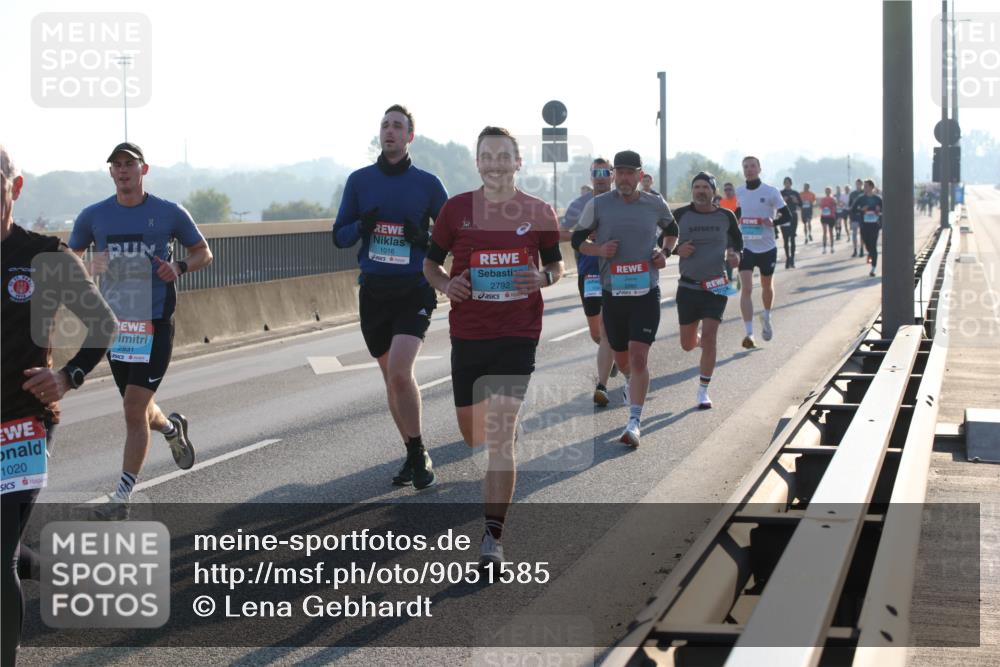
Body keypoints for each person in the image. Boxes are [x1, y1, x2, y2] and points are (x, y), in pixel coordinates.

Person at [423, 127, 563, 568]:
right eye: (488, 156)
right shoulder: (455, 210)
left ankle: (493, 538)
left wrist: (543, 278)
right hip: (469, 333)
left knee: (499, 438)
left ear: (518, 162)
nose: (497, 163)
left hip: (518, 332)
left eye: (505, 156)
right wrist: (449, 285)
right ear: (478, 162)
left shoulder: (539, 212)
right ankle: (501, 430)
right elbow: (430, 264)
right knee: (473, 436)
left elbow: (557, 266)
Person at [2, 145, 117, 667]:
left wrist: (67, 376)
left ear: (15, 187)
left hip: (22, 424)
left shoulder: (43, 256)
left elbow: (105, 325)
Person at [69, 142, 212, 518]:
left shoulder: (167, 212)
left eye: (129, 164)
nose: (122, 170)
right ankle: (170, 428)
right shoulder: (93, 216)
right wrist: (89, 266)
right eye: (116, 165)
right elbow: (71, 260)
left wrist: (179, 266)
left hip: (155, 323)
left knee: (133, 409)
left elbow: (204, 252)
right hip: (117, 327)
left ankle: (122, 497)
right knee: (140, 409)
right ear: (111, 173)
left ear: (143, 170)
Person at [333, 105, 448, 490]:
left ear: (409, 136)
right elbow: (339, 236)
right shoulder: (360, 181)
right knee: (391, 380)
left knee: (400, 372)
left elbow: (453, 238)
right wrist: (361, 226)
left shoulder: (428, 184)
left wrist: (425, 240)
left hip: (413, 289)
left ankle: (418, 453)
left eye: (398, 126)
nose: (390, 131)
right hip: (374, 292)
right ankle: (412, 451)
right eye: (385, 125)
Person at [571, 150, 675, 448]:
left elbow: (672, 231)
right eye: (621, 172)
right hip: (613, 292)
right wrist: (598, 251)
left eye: (631, 173)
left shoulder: (654, 203)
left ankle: (634, 422)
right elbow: (578, 240)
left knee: (640, 355)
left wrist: (664, 253)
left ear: (640, 176)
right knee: (621, 355)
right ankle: (629, 380)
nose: (626, 178)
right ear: (614, 174)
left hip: (646, 291)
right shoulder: (599, 204)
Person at [670, 172, 742, 409]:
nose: (700, 191)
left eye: (705, 187)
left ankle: (703, 390)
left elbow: (737, 243)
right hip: (688, 286)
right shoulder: (680, 215)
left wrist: (735, 255)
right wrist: (677, 250)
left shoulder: (726, 216)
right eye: (697, 187)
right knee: (688, 344)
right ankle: (697, 341)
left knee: (710, 338)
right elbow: (660, 243)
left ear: (713, 191)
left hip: (717, 285)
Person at [560, 158, 618, 407]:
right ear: (591, 176)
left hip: (618, 272)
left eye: (605, 172)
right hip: (590, 272)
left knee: (610, 329)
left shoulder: (622, 201)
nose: (601, 176)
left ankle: (603, 380)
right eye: (597, 172)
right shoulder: (581, 203)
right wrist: (581, 234)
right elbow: (560, 232)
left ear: (612, 176)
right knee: (596, 332)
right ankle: (611, 354)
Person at [734, 156, 791, 348]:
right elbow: (737, 214)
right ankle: (749, 334)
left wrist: (773, 222)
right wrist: (736, 223)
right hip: (746, 246)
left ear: (759, 169)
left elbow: (788, 215)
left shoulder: (771, 191)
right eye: (745, 167)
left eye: (752, 166)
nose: (749, 170)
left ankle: (766, 316)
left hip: (767, 247)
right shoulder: (739, 191)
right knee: (747, 289)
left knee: (767, 286)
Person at [850, 179, 883, 277]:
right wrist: (861, 210)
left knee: (873, 245)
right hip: (864, 225)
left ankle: (873, 268)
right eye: (864, 186)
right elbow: (853, 209)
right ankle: (870, 254)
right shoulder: (861, 198)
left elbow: (884, 210)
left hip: (874, 225)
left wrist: (878, 211)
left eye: (866, 186)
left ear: (872, 187)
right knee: (867, 245)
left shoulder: (878, 199)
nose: (864, 188)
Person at [779, 177, 802, 269]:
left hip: (793, 216)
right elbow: (776, 205)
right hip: (784, 217)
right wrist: (783, 200)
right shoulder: (781, 193)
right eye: (785, 183)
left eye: (788, 182)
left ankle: (792, 259)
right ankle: (787, 258)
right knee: (785, 239)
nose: (787, 184)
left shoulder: (795, 193)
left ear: (791, 183)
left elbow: (801, 205)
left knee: (792, 237)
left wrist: (795, 200)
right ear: (784, 184)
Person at [818, 186, 839, 253]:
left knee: (831, 232)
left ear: (831, 191)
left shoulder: (833, 199)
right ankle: (824, 248)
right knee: (824, 232)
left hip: (831, 216)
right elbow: (820, 207)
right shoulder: (823, 199)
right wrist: (824, 208)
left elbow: (836, 206)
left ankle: (832, 247)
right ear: (825, 191)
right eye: (826, 191)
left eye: (829, 190)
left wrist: (832, 206)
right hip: (824, 216)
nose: (827, 192)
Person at [847, 178, 864, 256]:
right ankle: (855, 250)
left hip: (862, 216)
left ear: (862, 185)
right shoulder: (852, 194)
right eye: (857, 184)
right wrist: (850, 218)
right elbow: (850, 206)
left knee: (862, 233)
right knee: (854, 234)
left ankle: (861, 250)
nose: (858, 185)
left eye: (859, 184)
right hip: (854, 216)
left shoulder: (865, 193)